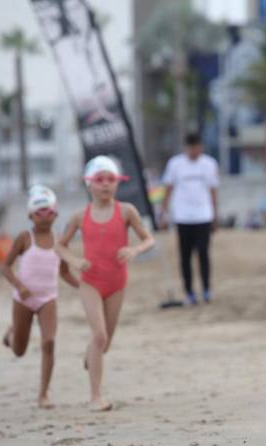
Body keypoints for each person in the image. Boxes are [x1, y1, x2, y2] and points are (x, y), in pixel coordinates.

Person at [57, 156, 155, 412]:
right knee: (99, 335)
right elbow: (60, 245)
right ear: (89, 184)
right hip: (90, 283)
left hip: (117, 283)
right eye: (99, 180)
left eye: (110, 180)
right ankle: (96, 397)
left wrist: (134, 250)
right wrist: (74, 261)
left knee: (105, 342)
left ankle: (92, 354)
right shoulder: (80, 216)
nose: (105, 185)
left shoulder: (127, 211)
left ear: (117, 183)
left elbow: (148, 240)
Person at [0, 186, 79, 409]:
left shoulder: (60, 240)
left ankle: (43, 394)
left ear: (56, 213)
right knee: (19, 350)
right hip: (23, 299)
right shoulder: (25, 238)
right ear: (30, 215)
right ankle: (12, 333)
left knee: (49, 342)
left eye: (49, 211)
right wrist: (19, 285)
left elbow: (64, 272)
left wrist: (81, 286)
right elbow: (5, 266)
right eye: (39, 212)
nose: (44, 217)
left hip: (48, 299)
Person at [159, 132, 220, 305]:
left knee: (203, 254)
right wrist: (163, 213)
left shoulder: (209, 164)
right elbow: (168, 189)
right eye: (191, 148)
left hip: (203, 216)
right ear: (186, 148)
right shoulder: (175, 164)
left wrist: (215, 214)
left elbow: (213, 190)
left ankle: (206, 289)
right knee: (184, 256)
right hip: (183, 217)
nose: (194, 151)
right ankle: (189, 292)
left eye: (197, 147)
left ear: (200, 147)